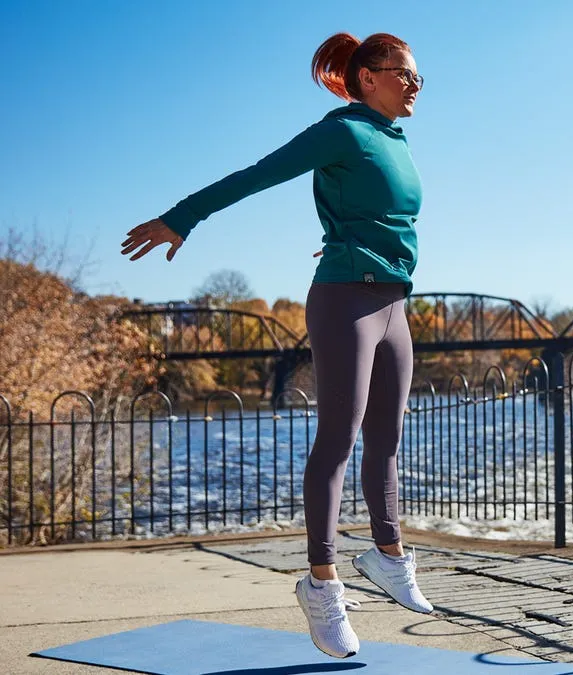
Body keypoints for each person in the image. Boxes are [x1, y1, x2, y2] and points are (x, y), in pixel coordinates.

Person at [120, 32, 432, 659]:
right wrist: (183, 216)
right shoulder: (341, 130)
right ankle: (320, 583)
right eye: (404, 74)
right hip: (346, 297)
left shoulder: (396, 141)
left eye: (419, 77)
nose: (415, 86)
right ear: (367, 77)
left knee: (388, 439)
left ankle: (388, 553)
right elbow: (259, 174)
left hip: (395, 302)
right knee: (337, 439)